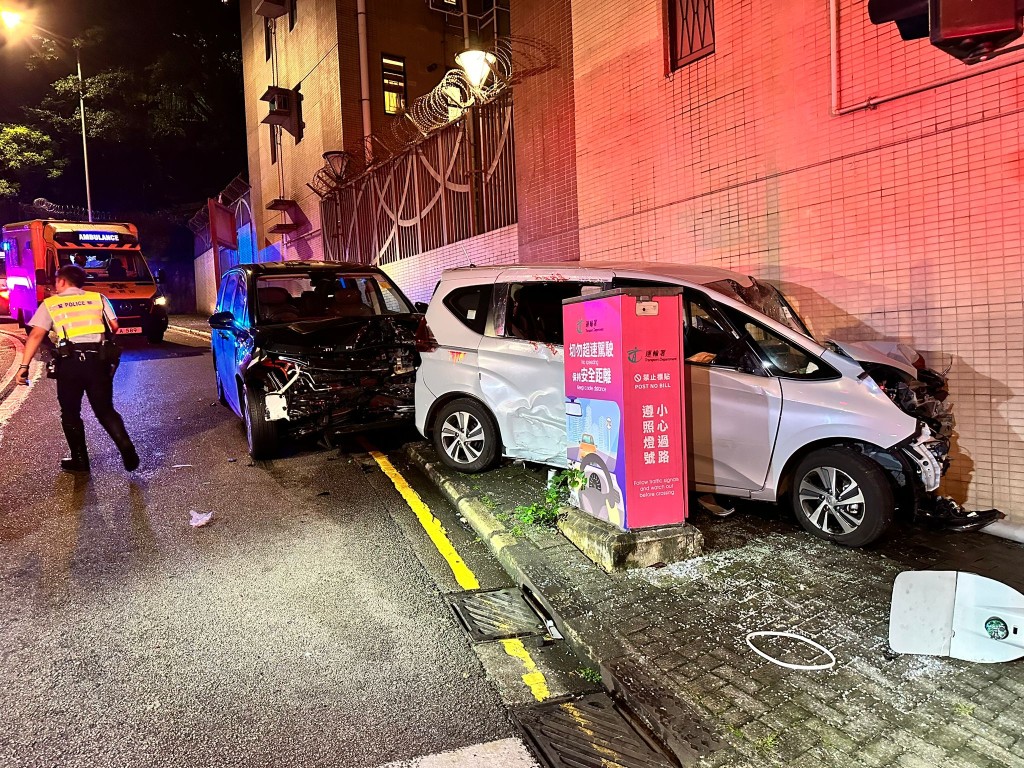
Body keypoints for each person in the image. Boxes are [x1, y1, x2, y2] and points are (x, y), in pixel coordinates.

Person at [15, 264, 139, 473]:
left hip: (69, 363)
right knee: (105, 410)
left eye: (56, 282)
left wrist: (24, 366)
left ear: (62, 281)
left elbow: (36, 335)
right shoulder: (98, 298)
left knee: (70, 412)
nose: (55, 286)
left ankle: (80, 460)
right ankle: (126, 447)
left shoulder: (51, 304)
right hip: (97, 361)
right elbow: (115, 326)